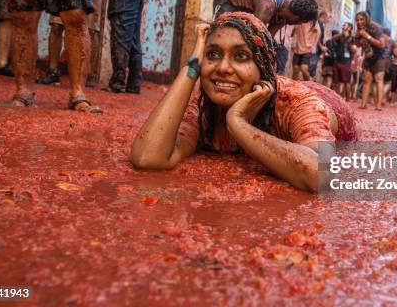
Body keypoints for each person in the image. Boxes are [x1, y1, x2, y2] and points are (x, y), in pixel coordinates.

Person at [131, 12, 358, 192]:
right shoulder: (203, 104)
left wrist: (238, 124)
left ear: (262, 69)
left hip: (324, 101)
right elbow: (147, 157)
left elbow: (325, 174)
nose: (222, 68)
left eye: (241, 56)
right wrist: (192, 66)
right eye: (213, 55)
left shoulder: (296, 102)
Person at [213, 0, 318, 36]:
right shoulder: (268, 7)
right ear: (296, 17)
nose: (298, 25)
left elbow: (266, 39)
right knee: (223, 34)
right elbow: (253, 37)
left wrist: (277, 26)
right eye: (301, 22)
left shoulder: (282, 10)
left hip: (245, 10)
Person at [355, 12, 385, 110]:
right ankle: (363, 104)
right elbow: (358, 45)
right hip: (368, 57)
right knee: (367, 80)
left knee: (378, 79)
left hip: (379, 57)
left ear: (366, 19)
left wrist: (367, 36)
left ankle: (379, 105)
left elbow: (382, 44)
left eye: (361, 19)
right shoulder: (360, 29)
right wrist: (357, 37)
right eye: (357, 20)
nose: (359, 22)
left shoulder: (376, 27)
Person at [333, 23, 353, 100]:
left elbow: (354, 50)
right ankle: (337, 99)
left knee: (346, 81)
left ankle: (348, 99)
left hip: (347, 62)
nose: (343, 26)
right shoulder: (339, 36)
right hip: (338, 60)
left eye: (345, 25)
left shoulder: (352, 38)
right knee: (336, 81)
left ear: (349, 28)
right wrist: (342, 33)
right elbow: (334, 38)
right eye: (343, 25)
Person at [309, 11, 329, 80]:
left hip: (315, 50)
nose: (328, 20)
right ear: (324, 16)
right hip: (315, 49)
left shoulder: (320, 24)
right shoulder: (319, 24)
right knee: (311, 70)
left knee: (312, 70)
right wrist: (321, 47)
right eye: (328, 18)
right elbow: (316, 37)